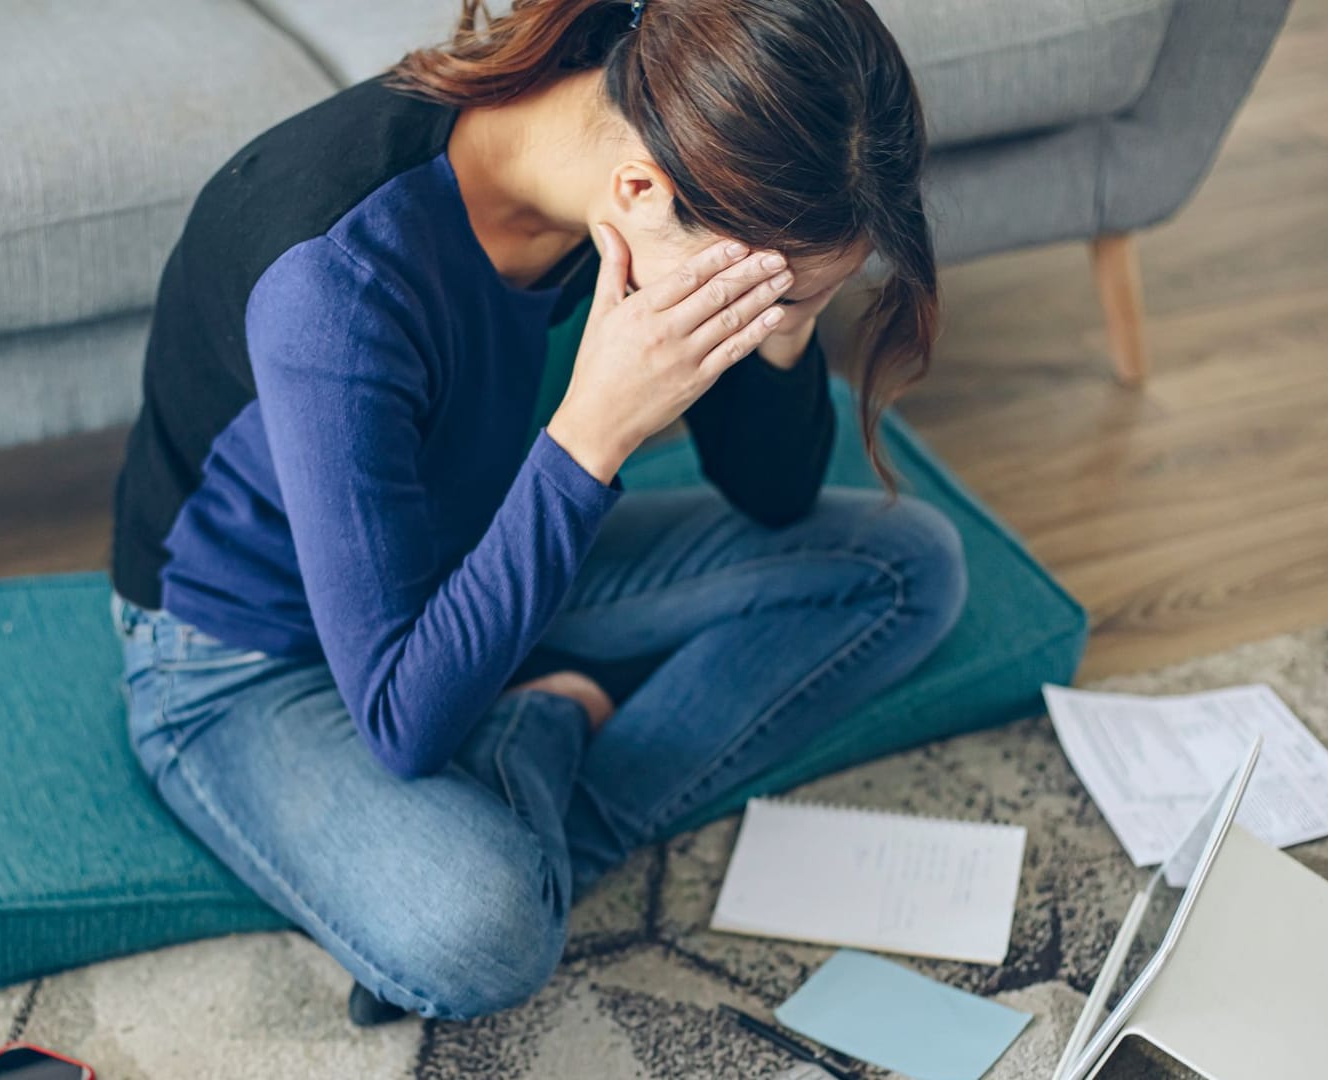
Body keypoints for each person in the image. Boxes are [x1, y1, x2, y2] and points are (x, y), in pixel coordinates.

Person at [108, 0, 966, 1027]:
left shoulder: (658, 152)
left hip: (472, 546)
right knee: (485, 930)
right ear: (641, 190)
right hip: (242, 660)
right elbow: (400, 719)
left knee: (908, 568)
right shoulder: (337, 281)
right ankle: (538, 735)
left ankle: (530, 751)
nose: (775, 321)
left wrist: (787, 326)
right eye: (772, 298)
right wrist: (590, 438)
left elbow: (774, 499)